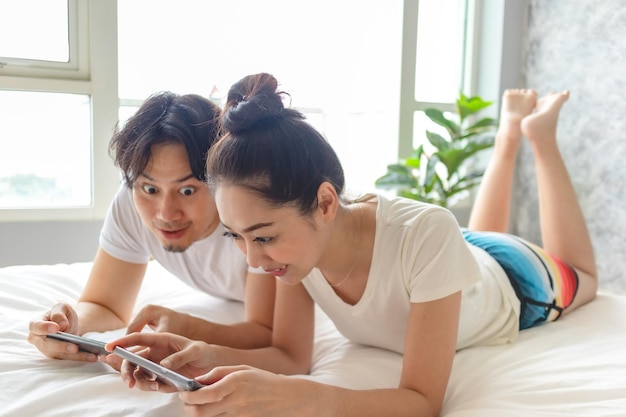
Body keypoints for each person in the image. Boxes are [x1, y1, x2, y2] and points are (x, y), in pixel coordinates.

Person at [107, 74, 597, 417]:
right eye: (237, 237)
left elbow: (423, 401)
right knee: (475, 239)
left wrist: (304, 400)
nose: (253, 260)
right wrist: (197, 353)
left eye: (264, 237)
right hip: (449, 259)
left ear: (324, 203)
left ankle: (537, 137)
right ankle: (508, 135)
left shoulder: (425, 232)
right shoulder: (298, 252)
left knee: (584, 279)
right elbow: (290, 356)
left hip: (510, 280)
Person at [27, 91, 276, 363]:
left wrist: (189, 328)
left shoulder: (252, 213)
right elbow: (106, 305)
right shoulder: (130, 202)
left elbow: (267, 333)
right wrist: (68, 324)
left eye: (188, 190)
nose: (166, 213)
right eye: (150, 188)